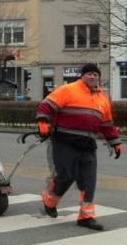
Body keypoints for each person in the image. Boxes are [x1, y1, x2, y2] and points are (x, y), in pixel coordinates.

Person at [37, 63, 122, 230]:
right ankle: (50, 200)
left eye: (96, 75)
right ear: (82, 76)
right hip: (65, 141)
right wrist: (43, 122)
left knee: (89, 181)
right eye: (89, 74)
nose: (93, 77)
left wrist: (115, 142)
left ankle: (86, 216)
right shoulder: (68, 90)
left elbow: (106, 124)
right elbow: (46, 106)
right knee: (66, 175)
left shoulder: (102, 99)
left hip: (88, 145)